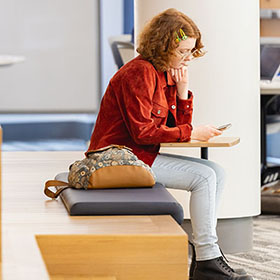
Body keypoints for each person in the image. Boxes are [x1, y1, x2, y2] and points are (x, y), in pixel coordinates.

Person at [87, 8, 253, 280]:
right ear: (163, 46)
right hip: (117, 159)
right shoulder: (138, 73)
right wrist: (192, 132)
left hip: (138, 156)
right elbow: (143, 132)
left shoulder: (161, 73)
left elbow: (176, 126)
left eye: (190, 52)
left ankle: (206, 258)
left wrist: (182, 90)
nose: (187, 58)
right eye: (182, 52)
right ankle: (207, 259)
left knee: (216, 172)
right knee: (205, 178)